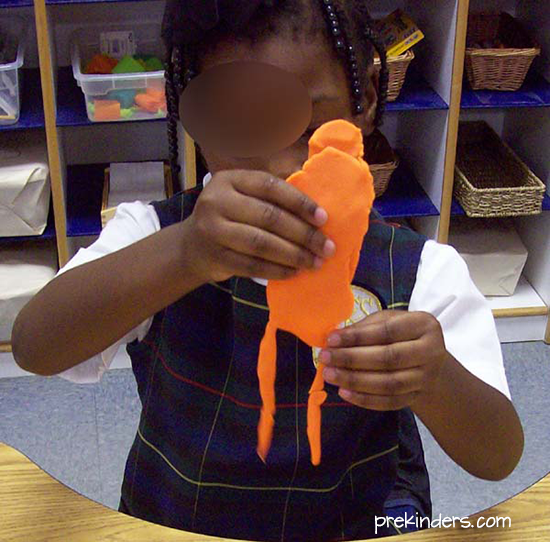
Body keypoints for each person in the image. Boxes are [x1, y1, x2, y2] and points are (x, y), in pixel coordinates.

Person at [12, 1, 524, 540]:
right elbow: (35, 346)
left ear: (365, 99)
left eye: (307, 127)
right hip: (174, 519)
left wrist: (434, 377)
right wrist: (182, 255)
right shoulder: (157, 237)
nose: (279, 165)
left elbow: (497, 455)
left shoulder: (419, 272)